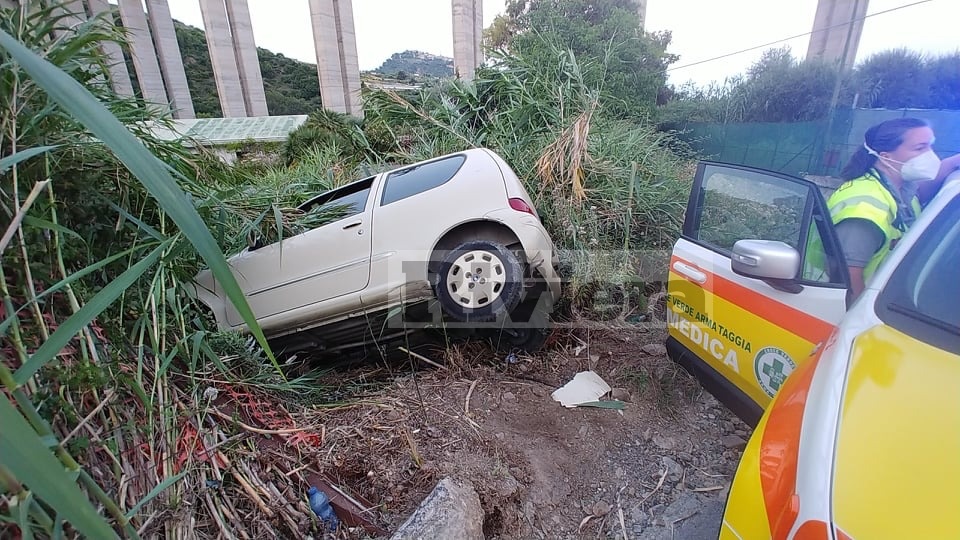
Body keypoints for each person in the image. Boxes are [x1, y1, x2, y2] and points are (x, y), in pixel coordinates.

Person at [828, 118, 960, 302]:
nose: (930, 155)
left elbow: (919, 193)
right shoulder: (864, 210)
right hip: (857, 308)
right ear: (886, 156)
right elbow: (848, 279)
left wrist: (953, 163)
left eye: (930, 145)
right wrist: (861, 316)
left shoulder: (899, 187)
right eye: (920, 148)